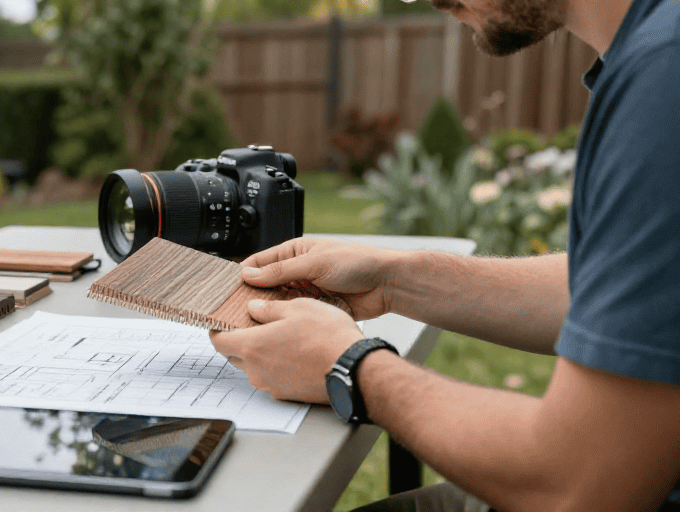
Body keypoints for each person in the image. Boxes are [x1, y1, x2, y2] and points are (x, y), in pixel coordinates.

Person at [208, 0, 680, 509]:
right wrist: (393, 279)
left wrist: (349, 368)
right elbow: (626, 297)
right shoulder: (654, 47)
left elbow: (575, 483)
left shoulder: (663, 79)